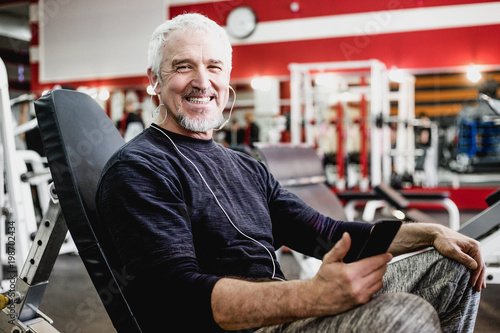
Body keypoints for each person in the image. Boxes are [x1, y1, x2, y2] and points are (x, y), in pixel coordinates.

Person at [96, 13, 485, 332]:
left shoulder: (245, 166)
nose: (202, 81)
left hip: (285, 310)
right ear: (154, 81)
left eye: (213, 67)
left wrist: (431, 233)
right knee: (401, 317)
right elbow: (177, 296)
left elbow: (328, 235)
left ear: (226, 79)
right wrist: (310, 297)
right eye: (183, 67)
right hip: (238, 326)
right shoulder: (140, 169)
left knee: (453, 266)